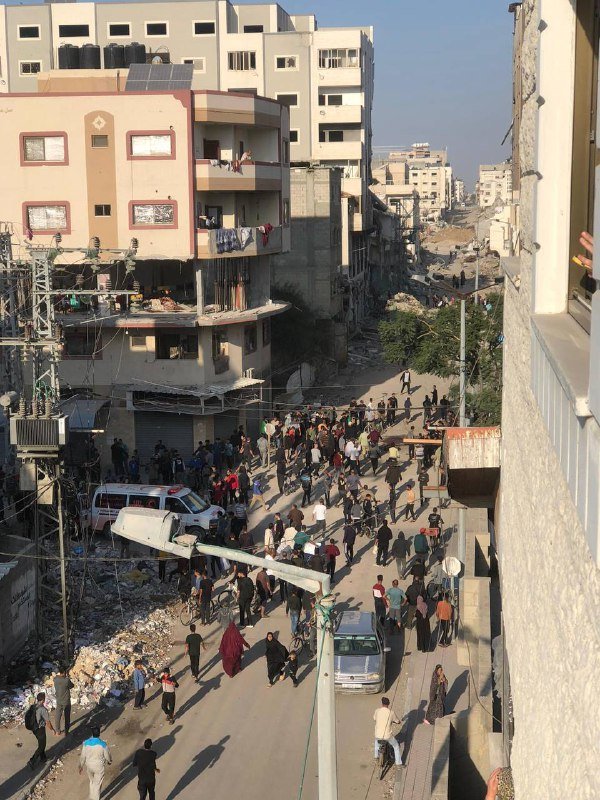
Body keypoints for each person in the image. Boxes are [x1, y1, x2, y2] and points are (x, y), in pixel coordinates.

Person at [79, 726, 112, 800]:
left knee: (91, 781)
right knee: (97, 784)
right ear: (99, 733)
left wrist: (80, 766)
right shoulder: (103, 744)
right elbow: (107, 755)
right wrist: (109, 761)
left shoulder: (86, 743)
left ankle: (91, 797)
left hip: (89, 766)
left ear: (92, 733)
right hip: (99, 767)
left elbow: (83, 756)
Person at [26, 692, 57, 770]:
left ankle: (43, 758)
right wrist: (52, 730)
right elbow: (48, 722)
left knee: (41, 743)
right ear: (43, 700)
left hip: (34, 728)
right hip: (40, 729)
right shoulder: (43, 709)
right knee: (42, 746)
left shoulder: (33, 706)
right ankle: (32, 760)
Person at [373, 697, 403, 767]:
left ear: (382, 703)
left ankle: (376, 757)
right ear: (388, 704)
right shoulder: (391, 712)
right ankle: (398, 764)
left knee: (376, 743)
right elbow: (397, 721)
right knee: (396, 746)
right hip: (387, 736)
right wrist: (398, 722)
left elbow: (374, 718)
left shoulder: (377, 711)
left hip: (377, 734)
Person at [53, 665, 73, 736]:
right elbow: (71, 686)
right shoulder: (66, 680)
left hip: (58, 699)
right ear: (64, 672)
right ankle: (66, 731)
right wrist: (67, 677)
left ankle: (57, 730)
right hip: (66, 700)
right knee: (67, 716)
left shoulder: (55, 679)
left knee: (58, 715)